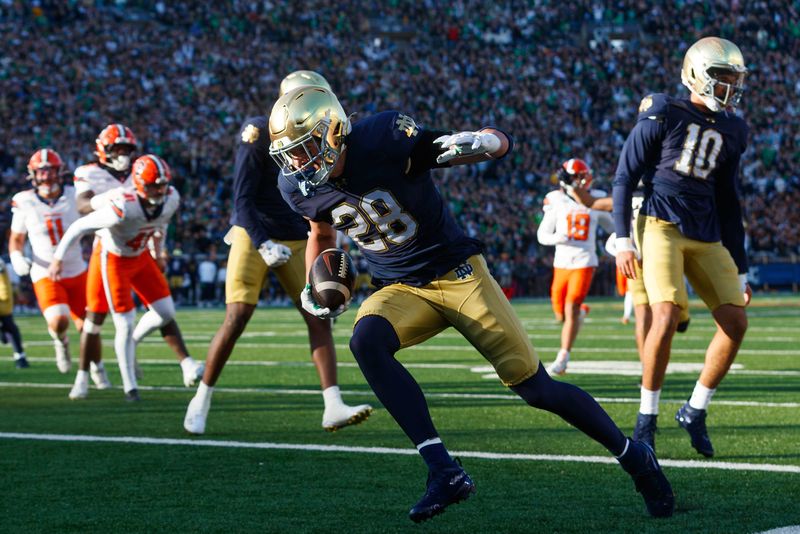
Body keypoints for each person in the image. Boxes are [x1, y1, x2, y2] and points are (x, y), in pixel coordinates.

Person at [269, 85, 674, 522]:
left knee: (536, 389)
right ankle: (443, 470)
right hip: (400, 287)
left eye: (304, 147)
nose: (297, 162)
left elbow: (463, 144)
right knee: (366, 341)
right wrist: (318, 285)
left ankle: (635, 458)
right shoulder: (296, 185)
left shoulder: (383, 136)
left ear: (333, 132)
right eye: (288, 153)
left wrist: (488, 141)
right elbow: (322, 235)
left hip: (458, 273)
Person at [183, 70, 372, 435]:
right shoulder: (257, 134)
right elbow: (241, 198)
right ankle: (201, 397)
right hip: (255, 232)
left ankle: (332, 403)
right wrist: (263, 243)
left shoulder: (330, 134)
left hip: (300, 233)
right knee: (237, 316)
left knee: (319, 314)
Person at [612, 37, 751, 457]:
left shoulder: (734, 127)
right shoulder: (663, 111)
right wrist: (622, 240)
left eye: (735, 79)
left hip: (706, 232)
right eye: (722, 78)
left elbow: (729, 200)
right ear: (697, 75)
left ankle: (694, 409)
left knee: (736, 321)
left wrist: (741, 268)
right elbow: (624, 177)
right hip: (660, 223)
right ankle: (645, 419)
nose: (730, 87)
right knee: (666, 312)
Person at [51, 155, 196, 401]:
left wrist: (158, 250)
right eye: (153, 185)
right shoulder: (122, 207)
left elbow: (160, 224)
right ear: (139, 184)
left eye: (162, 185)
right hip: (114, 259)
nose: (159, 191)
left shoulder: (171, 198)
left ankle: (135, 343)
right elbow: (79, 227)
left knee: (166, 312)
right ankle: (130, 387)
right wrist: (58, 258)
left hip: (140, 257)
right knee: (123, 323)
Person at [8, 149, 87, 374]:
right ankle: (60, 341)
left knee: (88, 327)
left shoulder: (75, 194)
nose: (45, 176)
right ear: (32, 174)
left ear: (59, 171)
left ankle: (92, 369)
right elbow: (16, 237)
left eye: (49, 170)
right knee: (59, 320)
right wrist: (16, 255)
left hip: (76, 267)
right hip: (45, 271)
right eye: (41, 171)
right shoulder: (25, 201)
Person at [536, 159, 614, 375]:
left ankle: (563, 357)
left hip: (585, 261)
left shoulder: (596, 198)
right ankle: (581, 312)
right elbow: (542, 234)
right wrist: (559, 238)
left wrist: (621, 239)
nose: (584, 180)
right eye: (579, 176)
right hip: (561, 263)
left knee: (571, 308)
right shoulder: (556, 199)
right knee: (560, 314)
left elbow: (613, 226)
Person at [1, 260, 26, 368]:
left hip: (4, 300)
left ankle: (20, 357)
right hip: (4, 299)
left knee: (10, 328)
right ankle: (20, 357)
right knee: (11, 328)